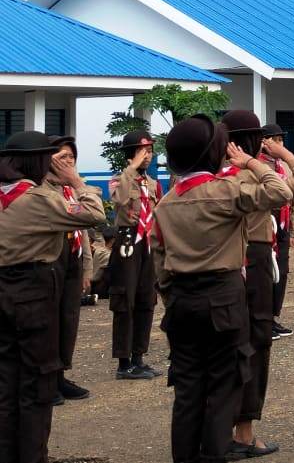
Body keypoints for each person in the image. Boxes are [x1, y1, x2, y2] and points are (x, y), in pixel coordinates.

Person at [151, 114, 294, 463]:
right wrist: (250, 163)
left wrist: (172, 296)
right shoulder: (226, 191)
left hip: (182, 301)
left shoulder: (165, 203)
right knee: (221, 390)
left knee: (187, 392)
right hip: (223, 298)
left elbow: (160, 260)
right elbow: (281, 191)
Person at [0, 130, 106, 463]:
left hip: (3, 289)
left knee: (5, 383)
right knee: (37, 383)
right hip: (32, 292)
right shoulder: (38, 200)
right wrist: (75, 179)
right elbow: (93, 215)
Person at [220, 110, 294, 460]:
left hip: (230, 263)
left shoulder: (217, 170)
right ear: (253, 141)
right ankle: (242, 431)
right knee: (254, 343)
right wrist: (282, 156)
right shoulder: (253, 172)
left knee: (230, 344)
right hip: (252, 258)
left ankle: (223, 428)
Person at [45, 136, 98, 404]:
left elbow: (84, 231)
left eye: (71, 157)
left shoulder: (70, 191)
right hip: (54, 258)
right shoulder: (44, 190)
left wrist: (87, 266)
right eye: (62, 157)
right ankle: (48, 379)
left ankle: (61, 374)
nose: (69, 162)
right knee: (51, 321)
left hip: (73, 258)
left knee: (69, 319)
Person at [108, 130, 161, 380]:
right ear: (131, 154)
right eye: (143, 151)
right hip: (127, 242)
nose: (147, 156)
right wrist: (132, 168)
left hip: (147, 244)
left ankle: (139, 357)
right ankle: (123, 362)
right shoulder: (119, 179)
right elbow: (119, 201)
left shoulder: (152, 184)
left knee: (145, 299)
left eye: (150, 151)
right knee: (124, 299)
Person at [259, 123, 294, 339]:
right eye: (274, 140)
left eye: (281, 140)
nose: (279, 144)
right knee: (266, 271)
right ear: (263, 142)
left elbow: (293, 200)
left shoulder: (283, 167)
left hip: (283, 223)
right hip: (265, 222)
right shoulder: (257, 166)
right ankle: (263, 318)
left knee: (282, 271)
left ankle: (274, 316)